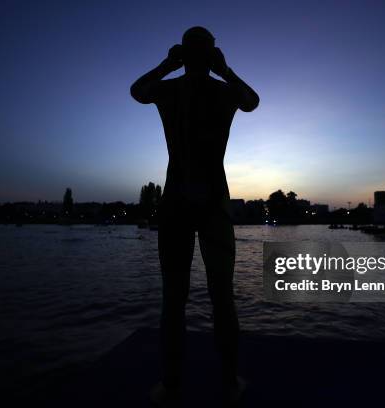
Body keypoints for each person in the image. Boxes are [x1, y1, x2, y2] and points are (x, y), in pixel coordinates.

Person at [130, 26, 259, 406]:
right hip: (210, 200)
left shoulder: (171, 90)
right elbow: (251, 100)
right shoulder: (223, 92)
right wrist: (226, 71)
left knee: (176, 297)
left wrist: (166, 65)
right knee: (219, 295)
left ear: (184, 55)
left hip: (180, 199)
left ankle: (174, 383)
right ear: (212, 55)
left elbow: (138, 90)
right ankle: (226, 379)